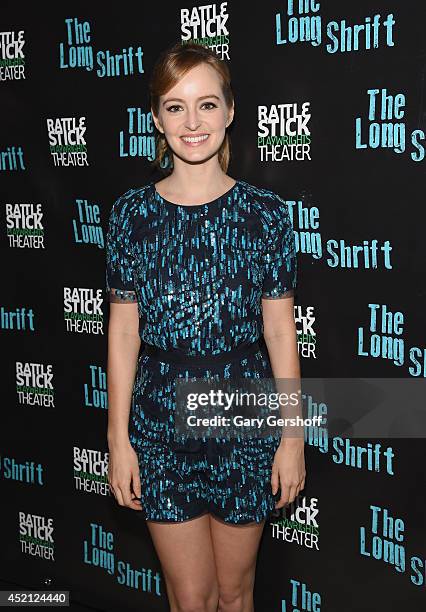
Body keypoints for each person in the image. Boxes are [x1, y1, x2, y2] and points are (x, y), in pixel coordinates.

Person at [106, 41, 305, 612]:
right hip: (159, 424)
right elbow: (123, 334)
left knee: (235, 592)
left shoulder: (266, 215)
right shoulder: (130, 216)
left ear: (231, 110)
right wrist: (119, 439)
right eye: (174, 106)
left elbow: (279, 334)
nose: (192, 122)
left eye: (207, 104)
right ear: (155, 120)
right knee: (190, 597)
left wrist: (292, 437)